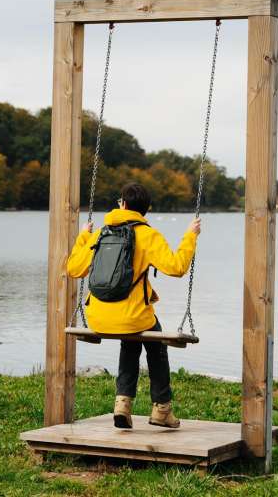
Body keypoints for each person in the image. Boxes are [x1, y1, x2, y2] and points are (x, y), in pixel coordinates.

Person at [67, 182, 201, 429]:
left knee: (131, 340)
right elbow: (177, 267)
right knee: (155, 341)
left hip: (97, 316)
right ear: (146, 210)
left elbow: (74, 269)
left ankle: (123, 404)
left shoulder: (100, 234)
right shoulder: (148, 235)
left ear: (123, 204)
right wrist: (190, 236)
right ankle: (162, 409)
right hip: (133, 317)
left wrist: (83, 236)